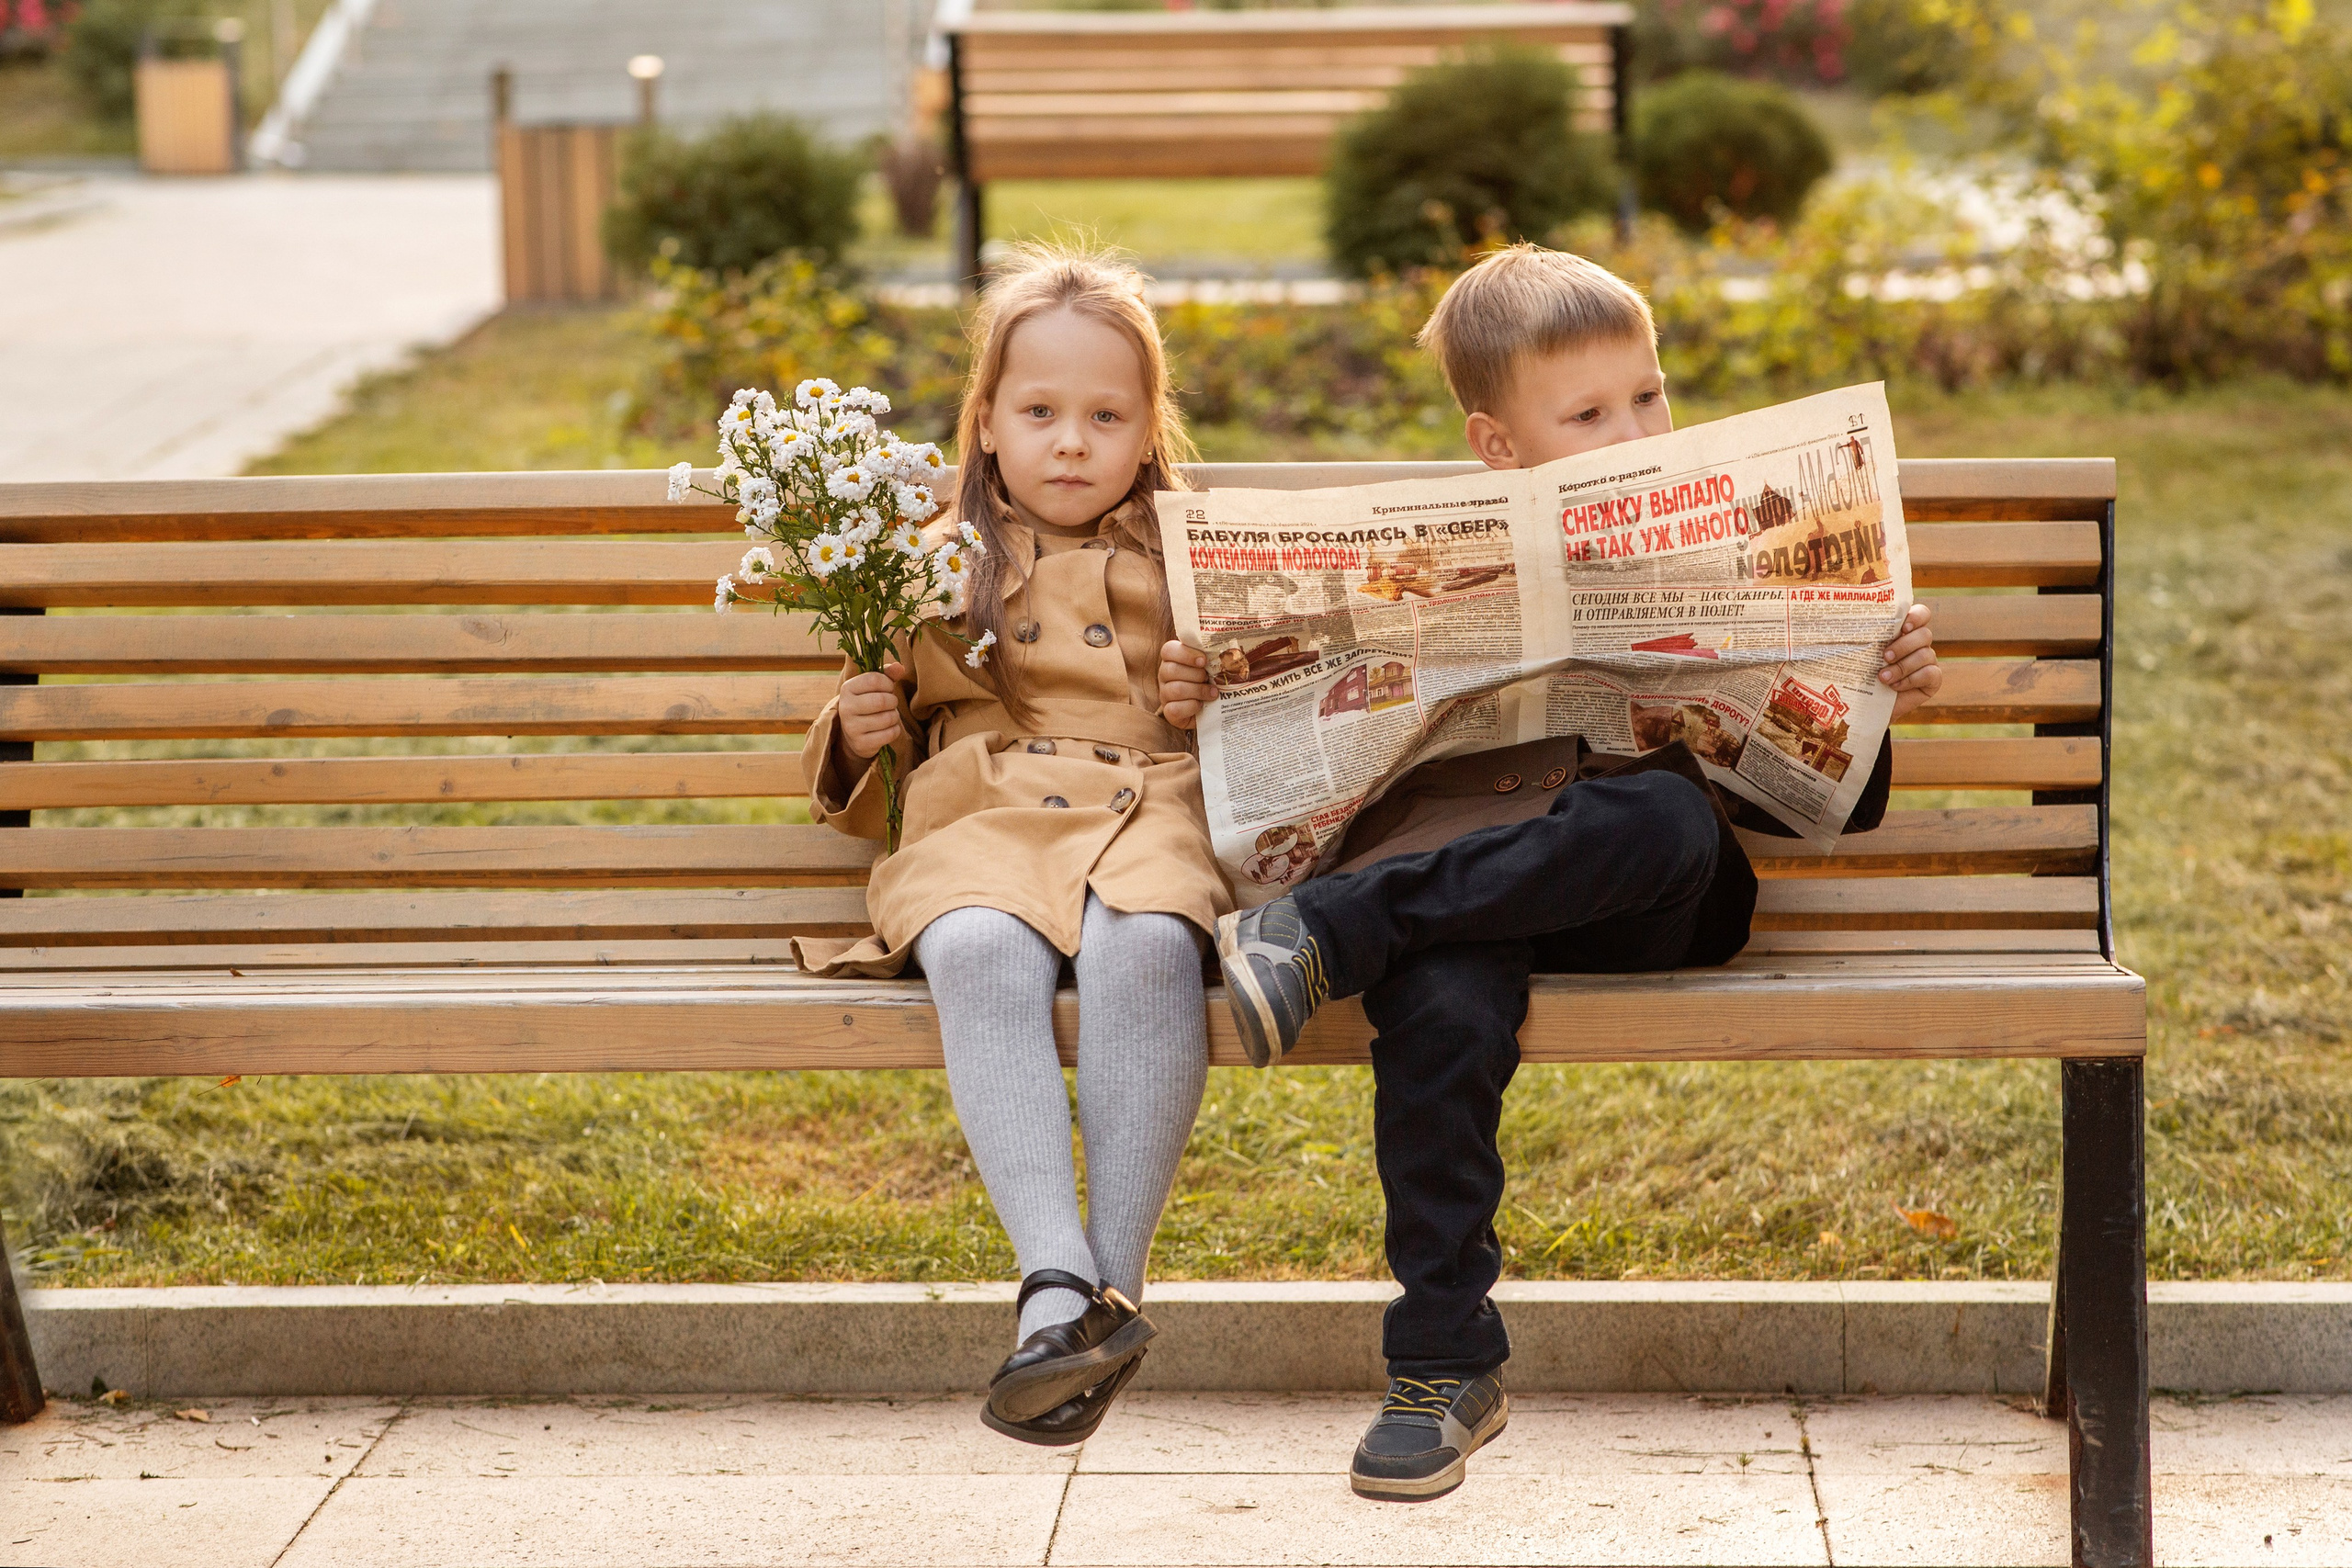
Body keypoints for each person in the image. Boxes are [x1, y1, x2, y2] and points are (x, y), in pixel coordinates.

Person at [1157, 244, 1944, 1501]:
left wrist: (1873, 683)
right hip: (1458, 876)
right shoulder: (1449, 550)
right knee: (1444, 1004)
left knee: (1667, 820)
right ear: (1498, 444)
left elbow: (1819, 806)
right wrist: (1211, 686)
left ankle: (1331, 934)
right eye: (1588, 415)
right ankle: (1442, 1362)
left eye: (1648, 396)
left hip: (1639, 887)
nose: (1634, 431)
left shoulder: (1715, 545)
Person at [797, 243, 1227, 1446]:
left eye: (1106, 417)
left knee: (1152, 946)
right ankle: (1055, 1282)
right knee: (978, 947)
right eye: (1040, 413)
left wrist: (1208, 695)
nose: (1071, 443)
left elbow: (1271, 709)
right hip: (982, 811)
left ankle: (1107, 1295)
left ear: (1147, 431)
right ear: (986, 423)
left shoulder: (1188, 558)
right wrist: (860, 725)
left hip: (1147, 802)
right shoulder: (928, 559)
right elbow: (869, 737)